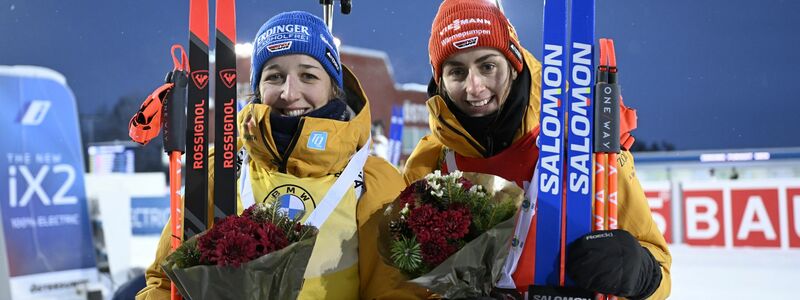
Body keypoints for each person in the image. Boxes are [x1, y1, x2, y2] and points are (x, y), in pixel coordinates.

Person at [137, 11, 426, 300]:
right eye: (274, 76)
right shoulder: (221, 170)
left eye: (308, 76)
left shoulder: (374, 181)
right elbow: (164, 284)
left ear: (333, 88)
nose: (289, 92)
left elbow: (397, 290)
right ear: (258, 90)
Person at [402, 1, 671, 299]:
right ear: (440, 82)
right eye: (457, 72)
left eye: (488, 66)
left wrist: (640, 273)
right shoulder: (430, 164)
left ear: (514, 65)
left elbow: (659, 267)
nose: (474, 87)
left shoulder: (580, 141)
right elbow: (402, 283)